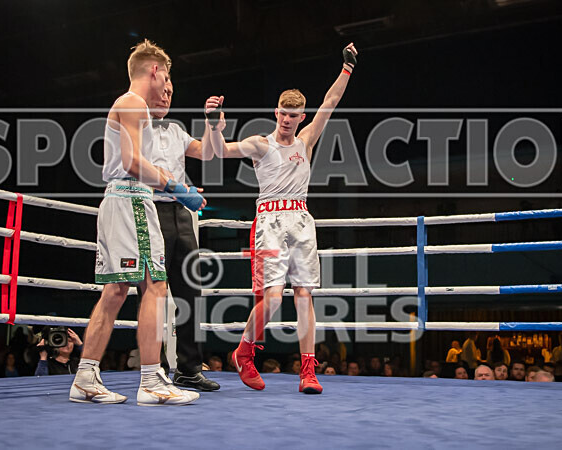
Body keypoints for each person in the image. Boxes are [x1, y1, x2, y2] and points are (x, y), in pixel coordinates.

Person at [203, 43, 359, 395]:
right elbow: (218, 152)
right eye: (283, 114)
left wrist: (347, 67)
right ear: (276, 112)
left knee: (304, 296)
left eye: (295, 115)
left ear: (301, 116)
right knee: (272, 298)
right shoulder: (261, 144)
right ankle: (244, 352)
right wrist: (214, 126)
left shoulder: (306, 141)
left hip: (302, 220)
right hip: (270, 221)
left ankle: (308, 371)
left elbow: (330, 102)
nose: (288, 120)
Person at [70, 39, 203, 407]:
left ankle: (84, 378)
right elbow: (130, 162)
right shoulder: (132, 103)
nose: (167, 89)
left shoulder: (131, 107)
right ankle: (151, 380)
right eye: (167, 79)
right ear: (155, 70)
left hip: (122, 199)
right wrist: (175, 185)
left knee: (115, 292)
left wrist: (171, 184)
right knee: (155, 286)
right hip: (131, 197)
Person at [143, 77, 219, 391]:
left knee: (191, 291)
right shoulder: (136, 125)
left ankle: (188, 368)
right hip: (150, 210)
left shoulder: (175, 130)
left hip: (181, 213)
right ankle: (155, 369)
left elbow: (207, 153)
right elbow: (134, 166)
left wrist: (212, 125)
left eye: (171, 93)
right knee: (152, 294)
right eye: (162, 90)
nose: (166, 96)